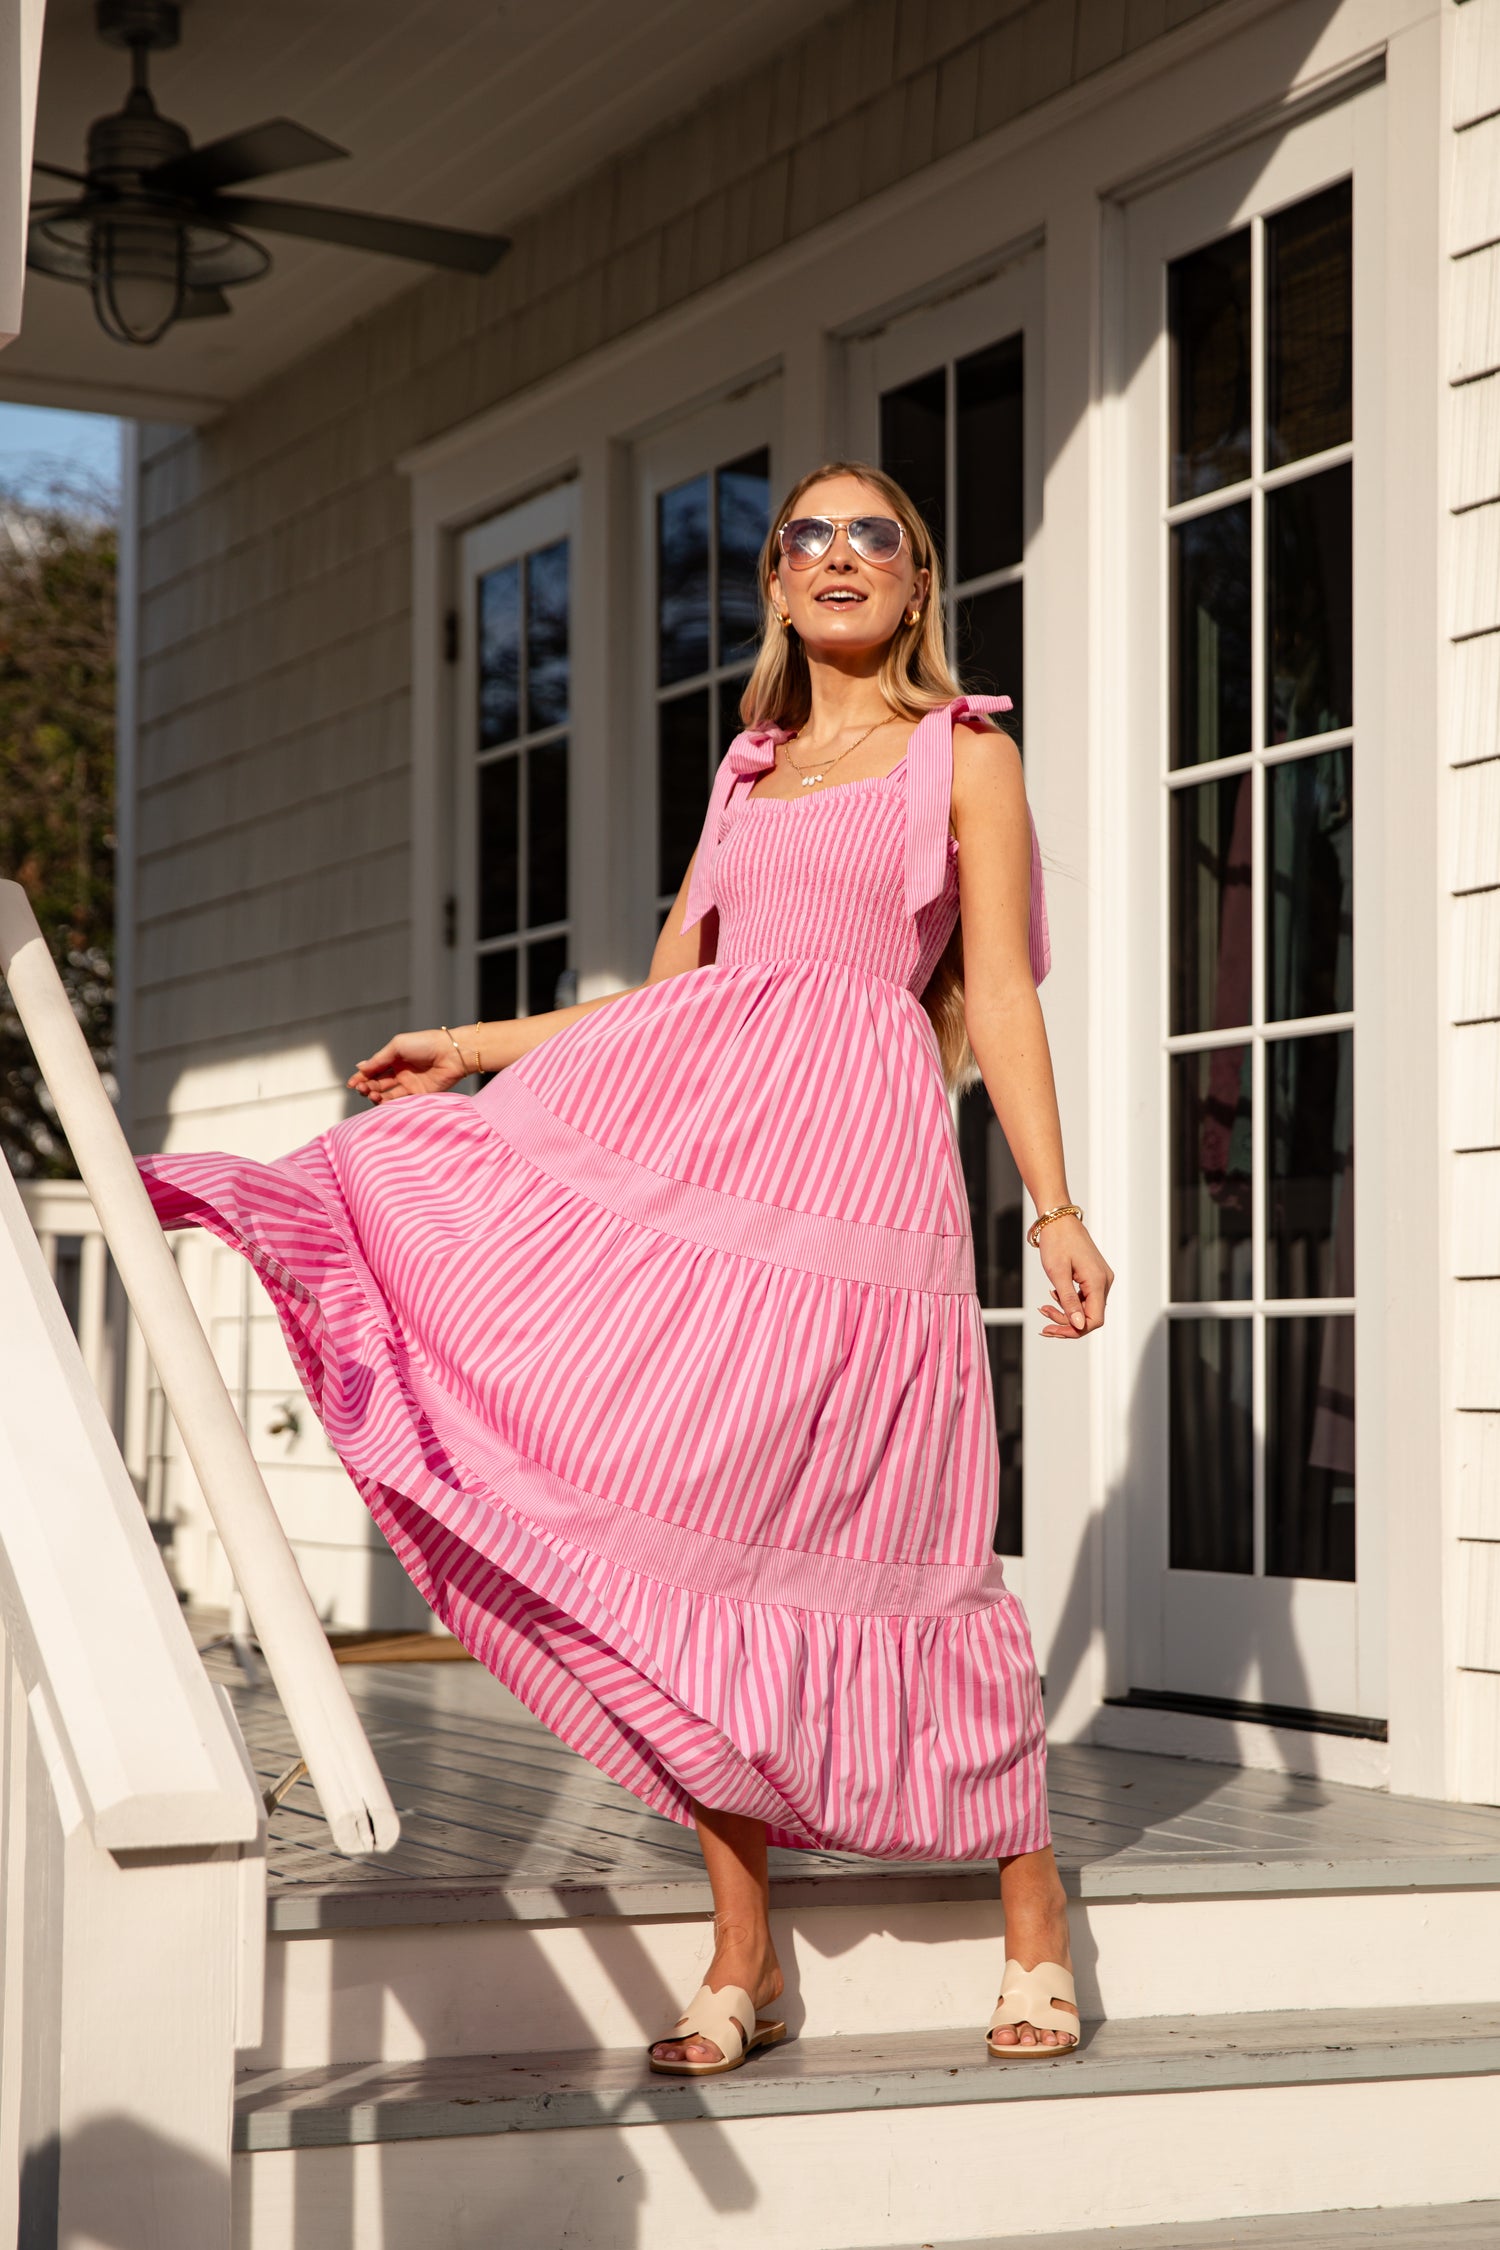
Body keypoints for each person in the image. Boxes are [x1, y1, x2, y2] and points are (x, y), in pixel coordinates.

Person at [137, 461, 1114, 2072]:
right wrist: (469, 1045)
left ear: (918, 586)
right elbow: (660, 1004)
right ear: (781, 589)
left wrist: (1055, 1206)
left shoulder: (969, 753)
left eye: (879, 534)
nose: (844, 554)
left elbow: (996, 992)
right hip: (707, 1184)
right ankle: (745, 1954)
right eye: (811, 535)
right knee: (702, 1537)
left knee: (910, 1525)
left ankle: (1031, 1917)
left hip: (863, 1191)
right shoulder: (747, 768)